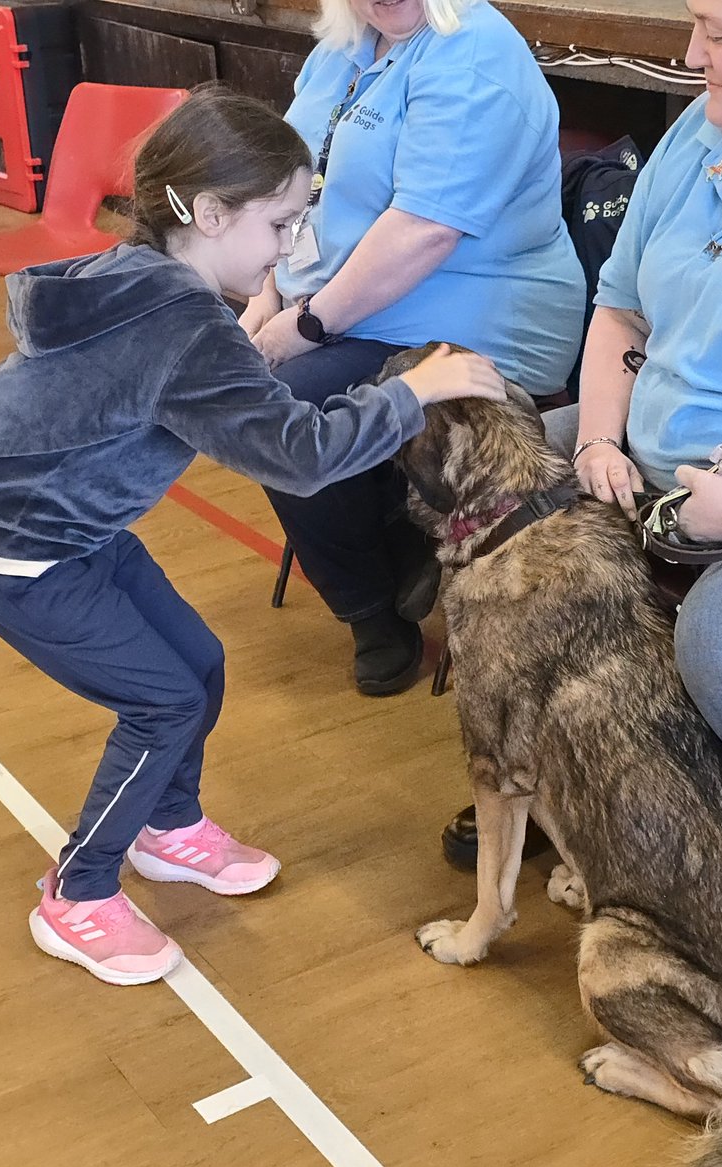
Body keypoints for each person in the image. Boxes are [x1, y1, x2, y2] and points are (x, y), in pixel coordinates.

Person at [0, 86, 505, 986]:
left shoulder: (143, 277)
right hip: (16, 547)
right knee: (162, 703)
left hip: (60, 518)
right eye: (278, 224)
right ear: (207, 212)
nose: (289, 248)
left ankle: (167, 825)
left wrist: (251, 352)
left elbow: (201, 384)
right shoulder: (186, 326)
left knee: (198, 663)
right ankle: (76, 891)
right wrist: (413, 390)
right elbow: (302, 457)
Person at [444, 0, 722, 864]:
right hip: (647, 446)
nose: (687, 52)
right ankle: (552, 771)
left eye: (713, 32)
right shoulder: (692, 139)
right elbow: (619, 314)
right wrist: (599, 441)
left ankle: (696, 833)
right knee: (488, 482)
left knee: (709, 643)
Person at [240, 0, 585, 697]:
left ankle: (372, 609)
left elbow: (424, 231)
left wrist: (302, 327)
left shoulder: (475, 53)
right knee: (260, 389)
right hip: (344, 303)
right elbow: (287, 185)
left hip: (473, 310)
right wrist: (262, 296)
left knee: (288, 405)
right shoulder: (342, 46)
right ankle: (397, 540)